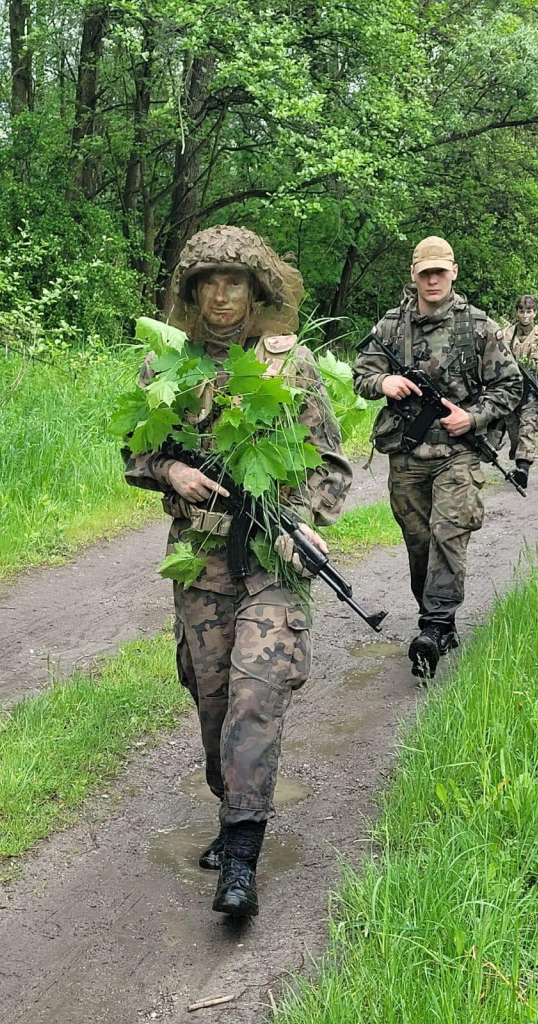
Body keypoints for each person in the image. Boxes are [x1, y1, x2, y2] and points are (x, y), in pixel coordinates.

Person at [123, 225, 352, 917]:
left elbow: (331, 466)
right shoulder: (166, 369)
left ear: (256, 291)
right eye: (208, 284)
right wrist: (173, 470)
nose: (222, 297)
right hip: (201, 564)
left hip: (272, 562)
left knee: (259, 692)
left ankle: (243, 858)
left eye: (235, 284)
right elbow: (136, 454)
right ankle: (233, 809)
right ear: (193, 294)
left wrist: (306, 519)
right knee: (215, 699)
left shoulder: (292, 365)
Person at [352, 236, 522, 680]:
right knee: (419, 542)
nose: (432, 280)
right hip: (407, 453)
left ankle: (435, 626)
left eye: (439, 272)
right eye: (424, 272)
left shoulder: (479, 327)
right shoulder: (390, 326)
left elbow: (510, 386)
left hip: (458, 454)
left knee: (449, 533)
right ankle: (435, 617)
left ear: (453, 272)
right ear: (413, 274)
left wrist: (473, 417)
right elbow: (361, 373)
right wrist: (384, 383)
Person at [501, 294, 538, 491]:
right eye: (522, 311)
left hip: (532, 395)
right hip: (511, 392)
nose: (525, 316)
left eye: (529, 311)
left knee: (528, 429)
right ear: (516, 312)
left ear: (535, 313)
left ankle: (522, 471)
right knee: (515, 433)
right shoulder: (506, 335)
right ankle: (518, 463)